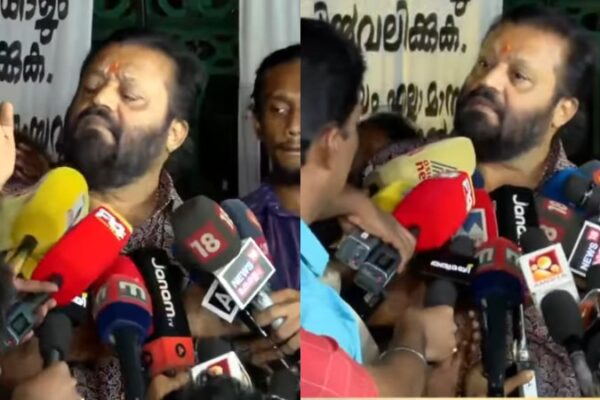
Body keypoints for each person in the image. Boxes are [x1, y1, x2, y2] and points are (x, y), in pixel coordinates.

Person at [299, 18, 457, 396]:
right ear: (334, 140)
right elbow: (384, 392)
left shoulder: (244, 229)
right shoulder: (312, 316)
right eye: (356, 126)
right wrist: (414, 334)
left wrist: (348, 200)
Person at [453, 5, 597, 396]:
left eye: (518, 75)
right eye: (484, 63)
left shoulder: (591, 216)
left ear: (562, 110)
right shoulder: (398, 172)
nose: (488, 81)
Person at [243, 45, 301, 292]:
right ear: (258, 123)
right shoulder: (237, 230)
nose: (295, 126)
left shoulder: (374, 220)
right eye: (279, 110)